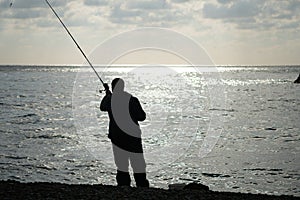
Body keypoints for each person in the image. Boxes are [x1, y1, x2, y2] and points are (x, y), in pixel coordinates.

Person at [100, 78, 149, 187]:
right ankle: (142, 187)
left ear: (113, 88)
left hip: (117, 138)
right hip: (133, 138)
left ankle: (123, 187)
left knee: (121, 165)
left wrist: (108, 95)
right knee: (138, 164)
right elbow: (142, 117)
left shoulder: (110, 100)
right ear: (123, 87)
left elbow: (102, 107)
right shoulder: (132, 99)